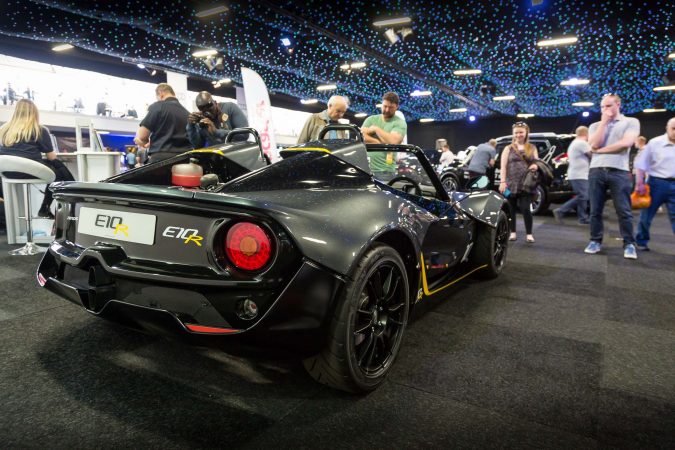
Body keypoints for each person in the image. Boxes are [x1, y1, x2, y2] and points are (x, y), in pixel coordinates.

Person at [584, 93, 640, 259]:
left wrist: (599, 151)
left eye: (608, 106)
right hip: (596, 170)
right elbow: (593, 143)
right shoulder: (595, 125)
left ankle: (629, 244)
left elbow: (625, 144)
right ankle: (595, 241)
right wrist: (604, 122)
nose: (605, 109)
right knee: (595, 210)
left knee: (623, 210)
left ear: (618, 105)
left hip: (619, 171)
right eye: (602, 107)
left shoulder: (630, 122)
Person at [0, 99, 74, 219]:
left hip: (7, 173)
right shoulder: (39, 129)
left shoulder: (3, 130)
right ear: (34, 113)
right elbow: (51, 156)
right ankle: (48, 207)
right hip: (29, 170)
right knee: (58, 174)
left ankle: (71, 192)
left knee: (57, 168)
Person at [633, 117, 675, 251]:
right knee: (646, 215)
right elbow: (641, 164)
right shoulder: (655, 143)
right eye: (673, 128)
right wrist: (639, 183)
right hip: (656, 184)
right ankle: (641, 241)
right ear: (667, 128)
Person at [498, 122, 539, 243]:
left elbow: (537, 162)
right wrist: (502, 181)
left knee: (526, 208)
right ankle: (513, 232)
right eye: (516, 132)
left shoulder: (532, 148)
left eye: (521, 132)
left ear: (526, 132)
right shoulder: (508, 148)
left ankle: (529, 233)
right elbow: (503, 166)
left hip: (527, 183)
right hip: (510, 183)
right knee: (511, 209)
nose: (518, 134)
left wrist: (535, 166)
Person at [134, 83, 191, 163]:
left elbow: (142, 136)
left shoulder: (158, 106)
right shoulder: (188, 114)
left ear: (161, 94)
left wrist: (143, 142)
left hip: (161, 162)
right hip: (185, 160)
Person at [361, 92, 407, 181]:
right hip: (366, 169)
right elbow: (360, 137)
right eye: (385, 106)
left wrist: (376, 129)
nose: (386, 110)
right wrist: (377, 142)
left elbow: (393, 142)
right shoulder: (371, 119)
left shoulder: (399, 123)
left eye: (391, 107)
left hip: (385, 172)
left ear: (397, 107)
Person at [553, 126, 591, 224]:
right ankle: (562, 211)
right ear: (586, 134)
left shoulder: (575, 143)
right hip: (579, 174)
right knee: (582, 196)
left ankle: (582, 217)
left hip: (577, 174)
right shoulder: (582, 143)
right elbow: (592, 155)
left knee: (582, 196)